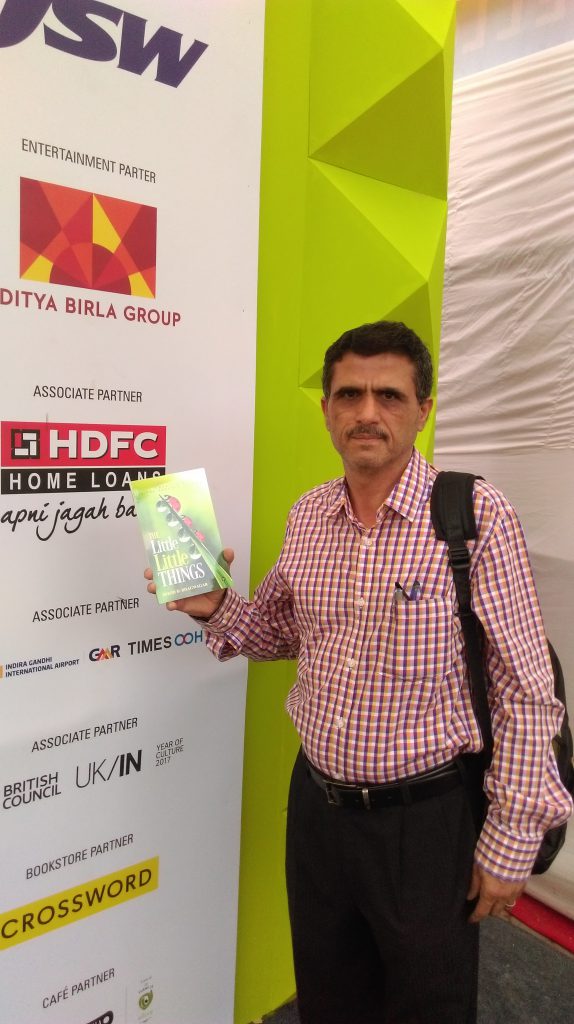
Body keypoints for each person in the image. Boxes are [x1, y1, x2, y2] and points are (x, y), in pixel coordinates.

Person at [145, 320, 572, 1024]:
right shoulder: (309, 515)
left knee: (427, 1007)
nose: (367, 412)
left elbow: (525, 691)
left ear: (422, 410)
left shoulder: (473, 515)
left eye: (389, 396)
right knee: (328, 997)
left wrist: (511, 839)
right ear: (326, 409)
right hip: (318, 811)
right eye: (349, 394)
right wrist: (215, 605)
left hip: (425, 824)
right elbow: (278, 633)